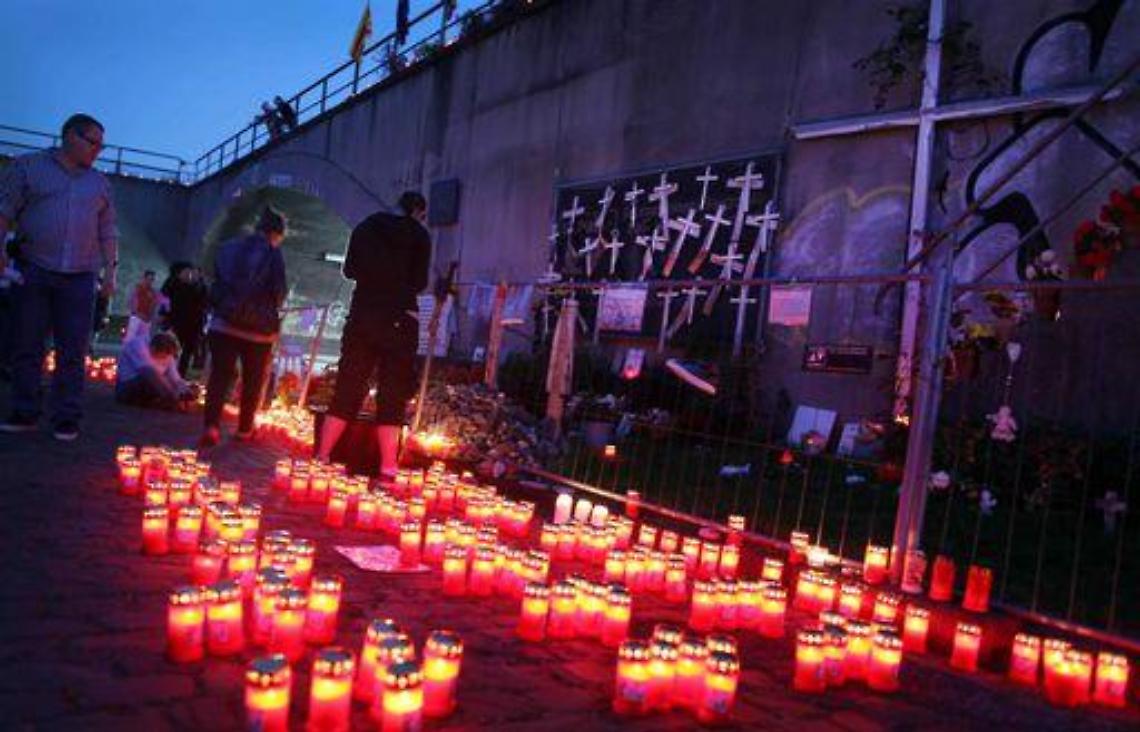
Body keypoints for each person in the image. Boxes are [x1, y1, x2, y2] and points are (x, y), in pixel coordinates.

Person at [0, 113, 117, 441]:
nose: (98, 150)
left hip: (80, 275)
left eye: (102, 145)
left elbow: (107, 230)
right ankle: (24, 410)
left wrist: (111, 271)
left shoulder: (99, 183)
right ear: (70, 136)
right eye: (93, 142)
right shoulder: (27, 168)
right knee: (27, 343)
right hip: (34, 266)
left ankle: (67, 416)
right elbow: (5, 211)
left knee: (73, 348)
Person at [316, 191, 431, 478]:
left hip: (363, 316)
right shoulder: (419, 235)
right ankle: (388, 467)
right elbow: (420, 282)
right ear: (418, 211)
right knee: (392, 394)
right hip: (399, 319)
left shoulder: (366, 226)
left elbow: (349, 270)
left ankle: (323, 455)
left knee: (348, 386)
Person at [200, 206, 288, 447]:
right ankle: (244, 429)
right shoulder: (273, 253)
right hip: (258, 332)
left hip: (224, 322)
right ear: (276, 233)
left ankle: (212, 426)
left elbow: (215, 280)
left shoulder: (228, 247)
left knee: (219, 377)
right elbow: (279, 291)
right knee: (253, 380)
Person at [115, 330, 196, 410]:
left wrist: (185, 390)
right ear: (153, 348)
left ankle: (163, 401)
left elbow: (175, 378)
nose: (165, 359)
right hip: (127, 387)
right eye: (162, 356)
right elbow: (148, 372)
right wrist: (173, 394)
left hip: (151, 388)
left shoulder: (168, 355)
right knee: (150, 373)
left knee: (174, 383)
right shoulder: (138, 345)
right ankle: (169, 400)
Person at [161, 262, 209, 375]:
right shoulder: (172, 284)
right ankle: (168, 371)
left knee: (187, 351)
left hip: (193, 325)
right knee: (173, 348)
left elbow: (203, 304)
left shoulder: (197, 287)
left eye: (190, 272)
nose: (189, 274)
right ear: (179, 273)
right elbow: (164, 300)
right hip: (177, 323)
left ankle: (180, 373)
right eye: (187, 272)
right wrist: (165, 314)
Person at [125, 269, 159, 341]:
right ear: (144, 278)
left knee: (143, 340)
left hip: (146, 320)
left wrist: (150, 317)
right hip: (136, 318)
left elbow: (154, 306)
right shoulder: (136, 289)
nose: (150, 282)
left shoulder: (154, 292)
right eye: (149, 279)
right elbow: (130, 303)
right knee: (131, 338)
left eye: (152, 280)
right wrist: (137, 314)